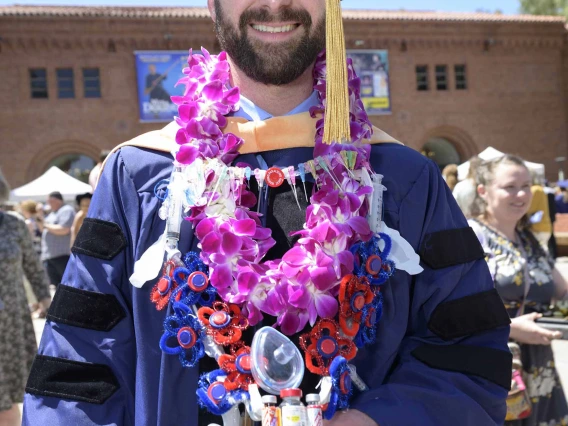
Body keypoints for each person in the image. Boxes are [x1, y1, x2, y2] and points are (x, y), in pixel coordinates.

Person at [23, 1, 512, 425]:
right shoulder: (140, 176)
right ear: (211, 4)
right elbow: (77, 369)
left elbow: (470, 354)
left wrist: (378, 419)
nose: (276, 3)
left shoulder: (403, 179)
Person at [469, 155, 568, 426]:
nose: (521, 194)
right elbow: (451, 309)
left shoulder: (529, 238)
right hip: (493, 365)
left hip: (538, 366)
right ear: (483, 191)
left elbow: (562, 291)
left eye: (526, 185)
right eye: (510, 187)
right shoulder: (469, 236)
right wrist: (509, 327)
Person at [0, 168, 51, 426]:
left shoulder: (14, 224)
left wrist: (47, 304)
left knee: (9, 397)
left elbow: (33, 268)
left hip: (11, 322)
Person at [40, 191, 75, 287]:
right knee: (54, 286)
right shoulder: (52, 214)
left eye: (49, 201)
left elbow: (64, 229)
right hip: (49, 256)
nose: (48, 204)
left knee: (67, 285)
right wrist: (39, 216)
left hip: (62, 256)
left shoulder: (66, 210)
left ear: (57, 200)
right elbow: (42, 229)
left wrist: (45, 225)